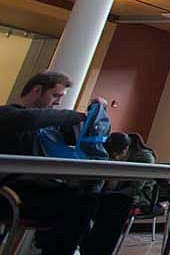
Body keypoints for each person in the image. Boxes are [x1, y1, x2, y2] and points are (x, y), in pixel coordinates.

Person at [0, 71, 131, 255]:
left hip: (44, 188)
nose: (58, 102)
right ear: (37, 90)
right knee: (79, 204)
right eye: (55, 95)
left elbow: (80, 137)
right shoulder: (7, 114)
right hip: (13, 190)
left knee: (117, 201)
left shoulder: (51, 129)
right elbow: (31, 119)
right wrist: (78, 116)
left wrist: (93, 112)